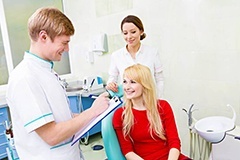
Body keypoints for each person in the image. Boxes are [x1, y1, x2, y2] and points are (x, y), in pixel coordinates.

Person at [6, 7, 110, 160]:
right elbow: (51, 135)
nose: (67, 49)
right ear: (43, 37)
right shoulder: (25, 77)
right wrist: (92, 112)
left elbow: (60, 117)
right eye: (64, 42)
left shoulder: (47, 72)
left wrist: (90, 114)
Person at [112, 64, 190, 160]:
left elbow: (174, 142)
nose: (127, 87)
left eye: (133, 82)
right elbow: (128, 152)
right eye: (124, 81)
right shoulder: (120, 114)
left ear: (144, 85)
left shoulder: (163, 106)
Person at [106, 15, 164, 98]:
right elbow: (112, 79)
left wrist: (158, 99)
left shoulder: (152, 52)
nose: (129, 37)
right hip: (128, 103)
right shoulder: (116, 56)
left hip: (149, 101)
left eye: (133, 32)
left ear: (141, 31)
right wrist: (110, 85)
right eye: (125, 33)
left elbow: (160, 79)